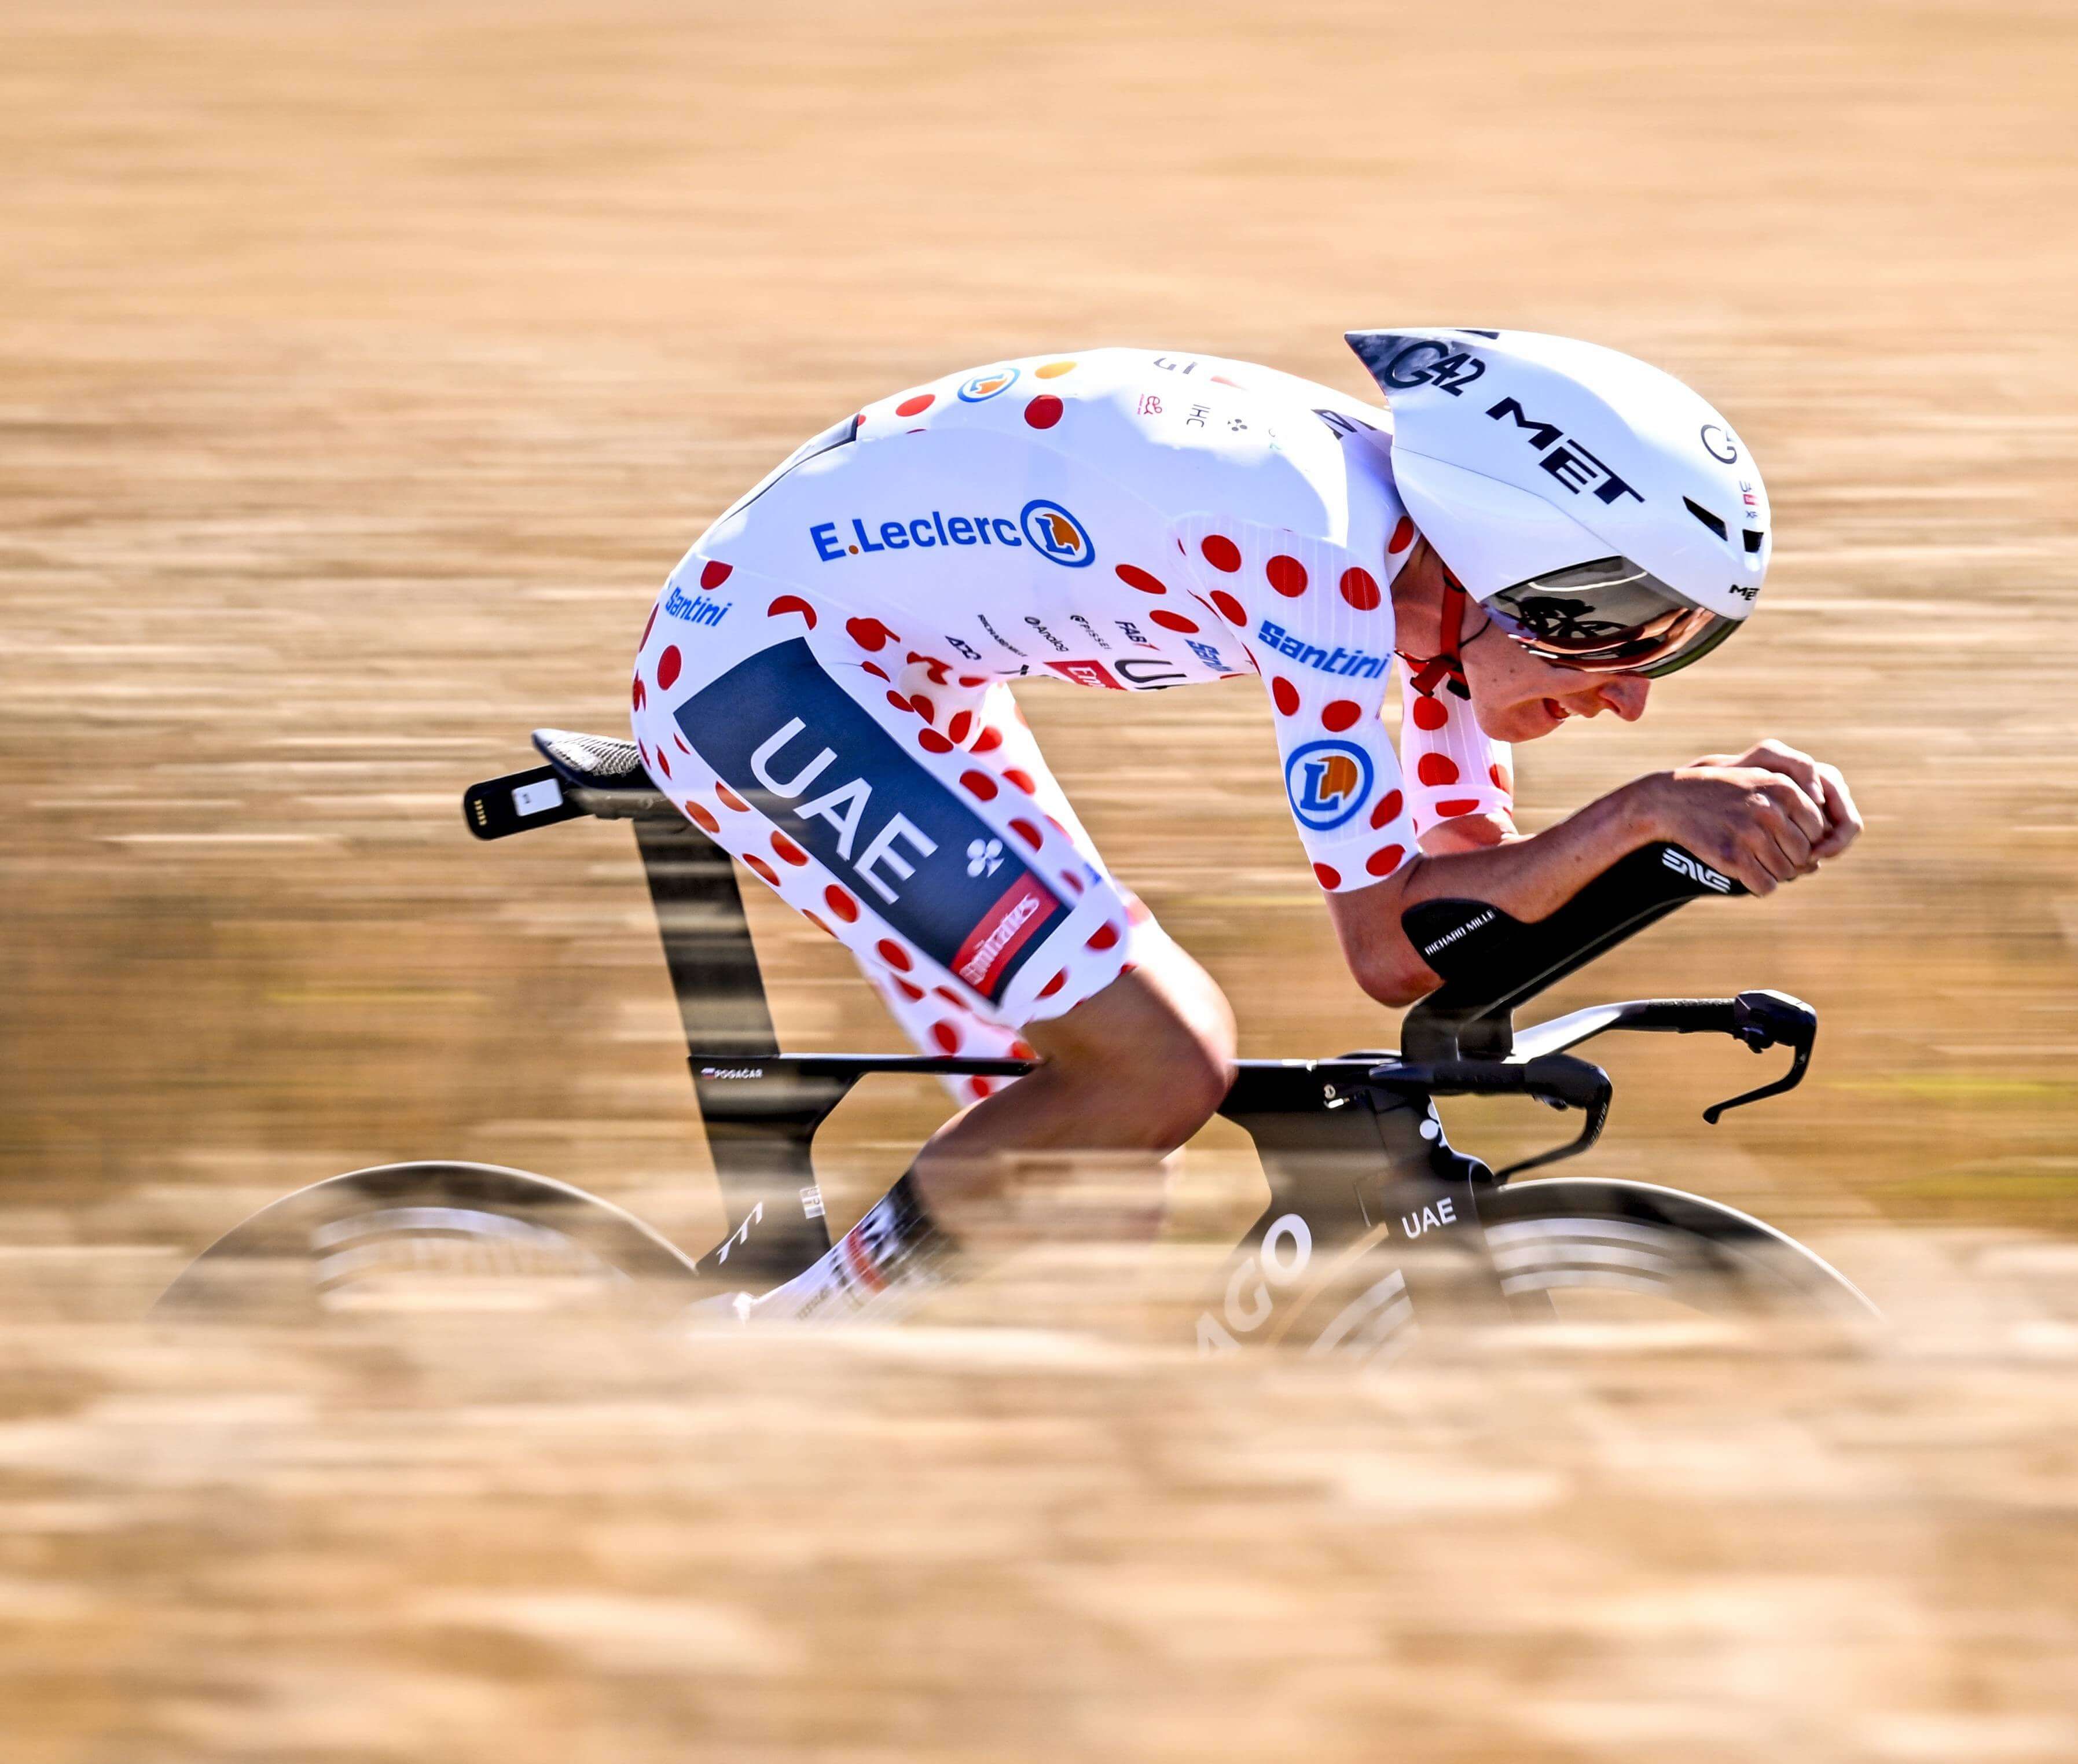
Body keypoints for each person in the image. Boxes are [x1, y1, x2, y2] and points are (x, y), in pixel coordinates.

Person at [629, 329, 1862, 1321]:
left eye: (1678, 642)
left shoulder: (1435, 596)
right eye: (1619, 625)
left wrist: (1673, 851)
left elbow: (1467, 911)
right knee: (1158, 1063)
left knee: (1087, 1203)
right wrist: (1643, 810)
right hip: (762, 674)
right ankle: (756, 1363)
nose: (1635, 689)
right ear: (1508, 560)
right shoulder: (1315, 548)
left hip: (890, 668)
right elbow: (1386, 944)